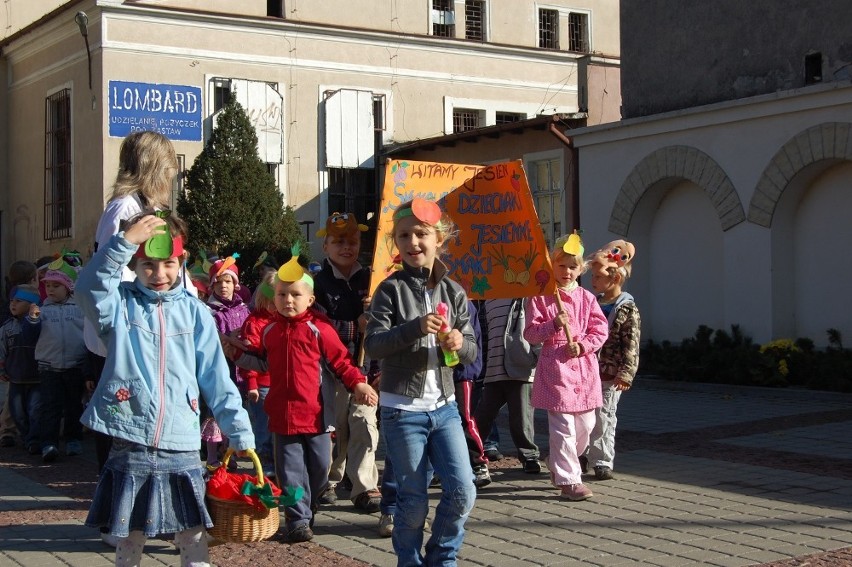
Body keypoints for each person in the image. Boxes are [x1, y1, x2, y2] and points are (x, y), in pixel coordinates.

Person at [76, 211, 254, 566]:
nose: (159, 275)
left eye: (168, 264)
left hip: (182, 440)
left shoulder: (196, 314)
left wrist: (239, 430)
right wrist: (123, 243)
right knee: (131, 532)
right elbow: (88, 289)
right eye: (147, 266)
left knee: (191, 531)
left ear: (181, 260)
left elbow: (217, 379)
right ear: (134, 265)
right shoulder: (120, 305)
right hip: (131, 436)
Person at [231, 253, 378, 543]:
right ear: (273, 299)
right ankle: (297, 519)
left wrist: (358, 384)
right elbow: (261, 363)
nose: (288, 300)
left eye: (295, 295)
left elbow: (341, 363)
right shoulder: (270, 331)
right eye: (282, 294)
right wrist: (235, 352)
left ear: (309, 299)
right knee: (290, 473)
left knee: (320, 471)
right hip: (283, 420)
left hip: (317, 417)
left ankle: (308, 507)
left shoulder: (319, 329)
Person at [364, 197, 478, 566]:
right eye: (404, 236)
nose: (414, 242)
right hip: (402, 412)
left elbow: (473, 350)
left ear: (438, 239)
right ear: (395, 243)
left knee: (463, 491)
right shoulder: (389, 290)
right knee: (412, 501)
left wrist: (460, 344)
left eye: (422, 234)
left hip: (445, 410)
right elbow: (374, 344)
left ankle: (442, 558)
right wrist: (414, 328)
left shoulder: (454, 291)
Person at [524, 233, 608, 501]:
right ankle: (569, 480)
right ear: (551, 266)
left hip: (583, 370)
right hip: (556, 369)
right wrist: (554, 325)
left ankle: (557, 461)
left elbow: (599, 330)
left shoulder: (587, 298)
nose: (567, 271)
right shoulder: (540, 297)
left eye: (573, 266)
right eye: (561, 266)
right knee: (563, 428)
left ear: (581, 269)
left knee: (586, 424)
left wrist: (583, 346)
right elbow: (531, 333)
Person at [312, 212, 382, 512]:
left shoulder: (373, 280)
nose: (346, 247)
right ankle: (328, 479)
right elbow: (317, 328)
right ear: (325, 246)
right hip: (329, 371)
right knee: (334, 427)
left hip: (364, 369)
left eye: (352, 241)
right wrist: (356, 325)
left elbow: (389, 326)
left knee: (364, 423)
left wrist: (375, 316)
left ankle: (363, 486)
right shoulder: (317, 284)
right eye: (338, 242)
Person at [585, 240, 640, 481]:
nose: (593, 281)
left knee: (604, 416)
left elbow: (632, 343)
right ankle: (584, 454)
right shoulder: (593, 303)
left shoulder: (627, 308)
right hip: (588, 371)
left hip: (610, 372)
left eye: (597, 277)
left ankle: (602, 460)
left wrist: (626, 372)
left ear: (614, 279)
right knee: (586, 416)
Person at [474, 298, 542, 476]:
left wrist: (538, 359)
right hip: (493, 369)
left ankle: (529, 456)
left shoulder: (525, 297)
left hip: (521, 369)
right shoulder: (488, 302)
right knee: (483, 416)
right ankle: (472, 453)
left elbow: (535, 330)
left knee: (521, 418)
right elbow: (484, 335)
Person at [34, 263, 87, 463]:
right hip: (49, 366)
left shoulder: (79, 308)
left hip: (75, 364)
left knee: (74, 405)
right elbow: (30, 334)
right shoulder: (42, 309)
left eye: (56, 286)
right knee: (50, 407)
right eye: (48, 286)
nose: (51, 290)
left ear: (68, 287)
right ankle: (49, 442)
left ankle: (73, 439)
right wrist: (32, 320)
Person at [204, 255, 250, 466]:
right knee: (215, 411)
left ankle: (229, 451)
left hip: (240, 368)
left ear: (236, 284)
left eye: (228, 281)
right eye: (219, 282)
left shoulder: (243, 309)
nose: (224, 286)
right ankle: (213, 457)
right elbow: (209, 337)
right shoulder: (208, 311)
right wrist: (227, 340)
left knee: (235, 409)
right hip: (218, 366)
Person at [237, 271, 277, 477]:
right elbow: (250, 355)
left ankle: (277, 463)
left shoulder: (282, 321)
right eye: (272, 301)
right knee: (264, 426)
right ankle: (265, 466)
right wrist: (251, 383)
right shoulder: (255, 322)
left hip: (279, 383)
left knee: (276, 427)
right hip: (261, 385)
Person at [0, 284, 43, 454]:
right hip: (15, 377)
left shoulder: (40, 323)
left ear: (32, 304)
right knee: (17, 412)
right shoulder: (7, 328)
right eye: (11, 301)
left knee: (35, 410)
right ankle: (26, 437)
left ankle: (33, 439)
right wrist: (2, 369)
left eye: (18, 301)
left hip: (37, 377)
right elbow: (2, 349)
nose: (13, 304)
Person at [452, 299, 491, 488]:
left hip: (461, 371)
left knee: (465, 417)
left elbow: (471, 339)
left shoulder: (463, 302)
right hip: (437, 372)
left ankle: (478, 462)